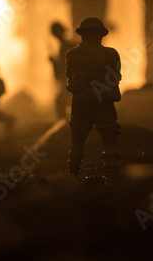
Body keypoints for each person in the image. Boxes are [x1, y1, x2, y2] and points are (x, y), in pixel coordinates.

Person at [66, 17, 122, 176]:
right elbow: (115, 77)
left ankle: (73, 177)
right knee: (110, 141)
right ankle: (112, 179)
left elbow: (70, 77)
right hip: (104, 100)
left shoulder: (72, 54)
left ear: (81, 34)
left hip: (80, 101)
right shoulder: (111, 54)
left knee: (77, 142)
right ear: (101, 35)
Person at [49, 21, 77, 119]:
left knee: (60, 101)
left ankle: (64, 123)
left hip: (73, 80)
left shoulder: (67, 46)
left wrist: (54, 63)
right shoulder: (69, 45)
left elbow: (66, 66)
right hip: (72, 80)